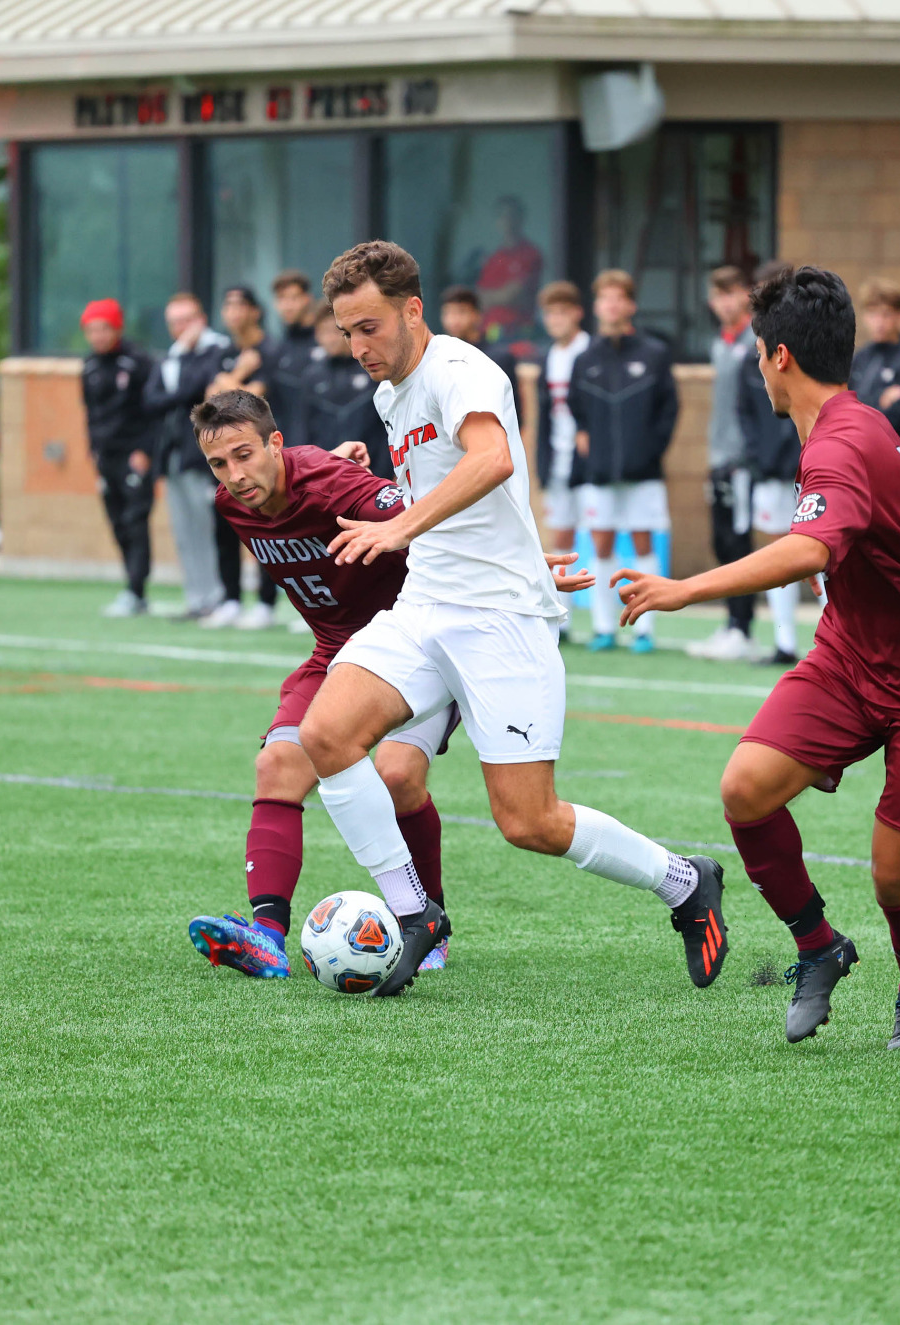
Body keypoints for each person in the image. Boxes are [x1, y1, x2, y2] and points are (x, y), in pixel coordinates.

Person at [299, 240, 727, 998]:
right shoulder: (390, 395)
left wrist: (401, 531)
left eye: (369, 326)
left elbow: (492, 460)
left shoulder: (461, 371)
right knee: (324, 735)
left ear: (412, 309)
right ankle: (414, 911)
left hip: (500, 621)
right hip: (426, 605)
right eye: (345, 332)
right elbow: (467, 499)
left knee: (528, 822)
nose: (358, 346)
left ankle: (685, 881)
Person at [612, 265, 900, 1050]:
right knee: (747, 789)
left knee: (895, 874)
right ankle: (817, 945)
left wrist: (686, 587)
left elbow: (810, 547)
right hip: (852, 652)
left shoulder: (843, 439)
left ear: (780, 358)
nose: (757, 367)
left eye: (759, 353)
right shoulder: (837, 427)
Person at [184, 388, 457, 978]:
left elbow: (434, 519)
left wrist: (526, 570)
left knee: (398, 777)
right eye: (219, 463)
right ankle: (265, 938)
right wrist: (310, 465)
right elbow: (293, 495)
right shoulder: (234, 503)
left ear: (274, 444)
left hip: (422, 644)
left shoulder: (340, 487)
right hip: (336, 651)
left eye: (245, 454)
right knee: (278, 764)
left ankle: (428, 926)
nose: (235, 474)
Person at [568, 269, 679, 653]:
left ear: (631, 305)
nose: (612, 305)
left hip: (643, 473)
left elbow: (669, 411)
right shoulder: (585, 359)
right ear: (596, 307)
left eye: (619, 298)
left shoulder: (654, 353)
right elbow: (576, 410)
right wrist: (586, 441)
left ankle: (644, 629)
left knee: (644, 545)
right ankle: (604, 627)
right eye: (605, 299)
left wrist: (648, 451)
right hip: (598, 475)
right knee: (600, 547)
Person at [687, 266, 762, 661]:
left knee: (739, 543)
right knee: (722, 541)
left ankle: (743, 628)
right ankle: (731, 623)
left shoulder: (756, 340)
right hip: (719, 456)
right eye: (718, 296)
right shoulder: (721, 343)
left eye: (732, 294)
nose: (724, 303)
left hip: (743, 460)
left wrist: (746, 453)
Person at [141, 292, 231, 619]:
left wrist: (175, 395)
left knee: (208, 528)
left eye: (186, 320)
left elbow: (198, 391)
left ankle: (219, 597)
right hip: (173, 456)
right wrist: (177, 395)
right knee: (184, 532)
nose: (181, 328)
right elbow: (150, 401)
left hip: (204, 457)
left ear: (201, 320)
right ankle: (197, 598)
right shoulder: (172, 357)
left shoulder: (217, 350)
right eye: (174, 322)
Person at [738, 262, 806, 666]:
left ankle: (838, 646)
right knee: (775, 554)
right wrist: (760, 457)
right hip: (767, 473)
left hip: (807, 465)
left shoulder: (802, 347)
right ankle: (784, 642)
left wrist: (795, 452)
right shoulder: (752, 358)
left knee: (822, 554)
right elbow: (745, 414)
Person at [79, 299, 156, 618]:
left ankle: (136, 591)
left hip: (134, 455)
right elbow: (90, 414)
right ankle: (130, 587)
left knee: (135, 521)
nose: (97, 335)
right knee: (117, 522)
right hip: (106, 457)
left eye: (103, 328)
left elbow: (152, 412)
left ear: (117, 328)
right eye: (91, 330)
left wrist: (145, 450)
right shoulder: (90, 366)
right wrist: (93, 450)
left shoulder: (138, 362)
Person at [200, 284, 271, 628]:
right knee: (225, 523)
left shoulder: (270, 349)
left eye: (239, 305)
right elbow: (211, 404)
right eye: (227, 305)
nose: (232, 312)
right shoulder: (224, 352)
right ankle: (230, 599)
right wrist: (241, 371)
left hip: (258, 453)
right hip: (225, 454)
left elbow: (252, 400)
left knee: (266, 525)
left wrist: (235, 381)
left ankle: (266, 602)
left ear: (255, 311)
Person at [532, 280, 590, 639]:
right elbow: (543, 415)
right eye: (549, 313)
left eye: (561, 312)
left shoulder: (590, 351)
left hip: (588, 462)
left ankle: (606, 622)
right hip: (557, 459)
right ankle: (562, 618)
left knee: (599, 538)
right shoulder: (547, 356)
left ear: (577, 314)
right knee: (561, 537)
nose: (555, 320)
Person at [299, 301, 392, 477]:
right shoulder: (311, 377)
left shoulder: (373, 369)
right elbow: (305, 431)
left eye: (335, 331)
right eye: (323, 332)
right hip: (328, 476)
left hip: (374, 474)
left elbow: (386, 428)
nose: (330, 338)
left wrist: (385, 474)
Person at [851, 278, 900, 453]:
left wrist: (863, 405)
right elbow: (846, 403)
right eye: (873, 314)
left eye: (886, 314)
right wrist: (880, 398)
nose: (879, 322)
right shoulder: (861, 358)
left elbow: (898, 418)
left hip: (897, 456)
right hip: (861, 453)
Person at [475, 195, 543, 343]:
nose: (507, 221)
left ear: (521, 219)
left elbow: (513, 295)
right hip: (488, 334)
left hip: (517, 335)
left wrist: (493, 297)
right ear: (497, 222)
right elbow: (478, 298)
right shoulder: (494, 258)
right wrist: (498, 296)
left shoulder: (529, 253)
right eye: (502, 216)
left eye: (511, 216)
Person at [261, 269, 323, 433]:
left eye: (294, 298)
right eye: (281, 299)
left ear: (307, 299)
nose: (287, 306)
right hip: (286, 445)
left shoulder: (327, 342)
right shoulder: (277, 349)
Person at [439, 285, 521, 401]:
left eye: (461, 312)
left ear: (477, 316)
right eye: (448, 313)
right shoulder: (439, 359)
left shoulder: (500, 359)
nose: (453, 320)